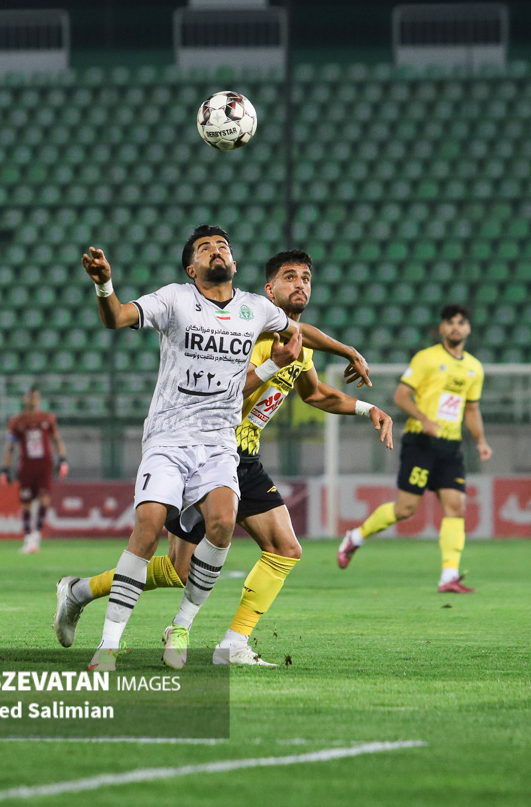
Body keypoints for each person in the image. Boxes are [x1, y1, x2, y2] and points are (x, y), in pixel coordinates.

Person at [56, 248, 391, 666]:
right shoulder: (248, 333)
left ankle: (232, 643)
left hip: (242, 457)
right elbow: (224, 391)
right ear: (269, 290)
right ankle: (81, 591)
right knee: (180, 569)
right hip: (206, 449)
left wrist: (366, 408)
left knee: (284, 548)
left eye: (306, 278)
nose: (300, 284)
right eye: (289, 277)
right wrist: (276, 366)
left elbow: (316, 394)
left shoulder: (297, 345)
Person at [337, 304, 492, 593]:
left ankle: (449, 576)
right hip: (421, 442)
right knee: (406, 509)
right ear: (442, 328)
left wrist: (481, 441)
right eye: (450, 322)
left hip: (450, 446)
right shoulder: (427, 358)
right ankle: (355, 537)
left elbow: (471, 409)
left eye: (461, 322)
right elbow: (401, 396)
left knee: (456, 507)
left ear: (468, 329)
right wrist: (424, 419)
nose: (456, 327)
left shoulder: (474, 367)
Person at [0, 387, 69, 554]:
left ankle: (36, 535)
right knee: (26, 502)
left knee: (44, 499)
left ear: (39, 400)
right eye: (30, 397)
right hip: (26, 465)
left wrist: (62, 459)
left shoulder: (47, 418)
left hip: (44, 465)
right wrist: (5, 468)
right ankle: (28, 537)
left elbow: (56, 439)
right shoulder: (17, 421)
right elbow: (10, 446)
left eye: (35, 397)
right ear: (25, 399)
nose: (32, 400)